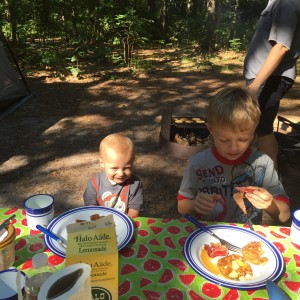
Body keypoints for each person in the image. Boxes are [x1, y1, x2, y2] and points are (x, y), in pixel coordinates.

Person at [177, 87, 291, 224]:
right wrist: (195, 204)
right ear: (210, 129)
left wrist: (269, 204)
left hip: (247, 239)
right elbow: (182, 207)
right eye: (224, 140)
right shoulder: (198, 163)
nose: (233, 147)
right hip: (208, 236)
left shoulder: (263, 163)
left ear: (254, 131)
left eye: (243, 139)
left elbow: (284, 215)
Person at [244, 0, 300, 169]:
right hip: (264, 77)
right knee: (259, 127)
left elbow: (281, 47)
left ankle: (271, 182)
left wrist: (255, 86)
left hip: (269, 78)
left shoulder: (287, 3)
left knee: (261, 128)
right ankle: (260, 173)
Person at [83, 133, 144, 217]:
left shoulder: (135, 184)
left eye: (127, 168)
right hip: (100, 222)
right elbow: (90, 206)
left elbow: (134, 210)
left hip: (125, 222)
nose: (121, 173)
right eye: (114, 168)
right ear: (102, 163)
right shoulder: (94, 183)